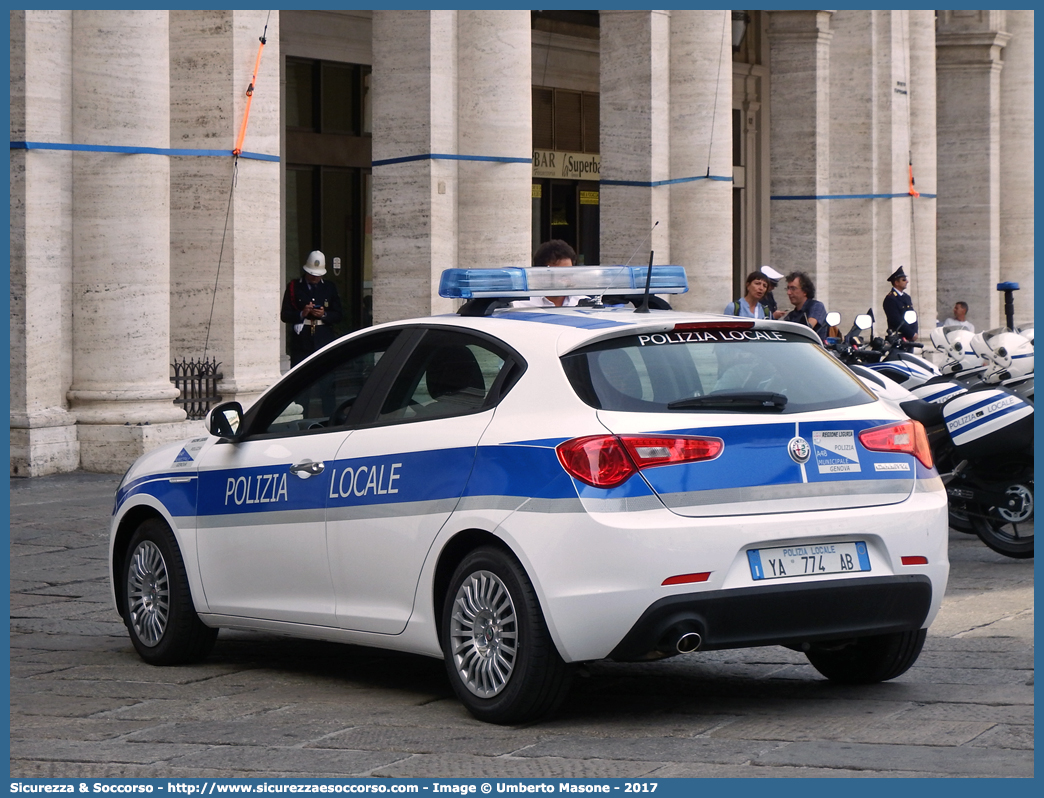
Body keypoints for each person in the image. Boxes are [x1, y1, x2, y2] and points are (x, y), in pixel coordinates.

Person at [280, 250, 344, 368]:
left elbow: (338, 315)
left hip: (323, 338)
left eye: (318, 275)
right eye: (312, 274)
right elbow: (285, 315)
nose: (315, 278)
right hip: (302, 341)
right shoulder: (295, 286)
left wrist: (324, 315)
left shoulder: (329, 287)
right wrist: (301, 314)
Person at [511, 239, 588, 308]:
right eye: (560, 273)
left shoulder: (584, 303)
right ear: (541, 274)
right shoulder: (520, 305)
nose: (566, 278)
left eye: (569, 272)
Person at [779, 271, 828, 341]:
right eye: (788, 289)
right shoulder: (791, 316)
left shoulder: (816, 306)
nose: (788, 293)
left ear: (805, 291)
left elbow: (807, 328)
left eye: (793, 288)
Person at [883, 265, 918, 340]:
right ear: (896, 282)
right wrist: (911, 333)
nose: (907, 281)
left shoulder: (906, 297)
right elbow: (896, 320)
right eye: (904, 280)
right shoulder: (891, 299)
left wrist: (914, 333)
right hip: (898, 337)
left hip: (909, 337)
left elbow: (912, 316)